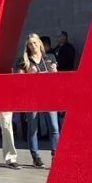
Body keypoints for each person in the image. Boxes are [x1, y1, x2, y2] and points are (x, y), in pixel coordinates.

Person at [20, 33, 60, 168]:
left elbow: (56, 79)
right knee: (33, 128)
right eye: (30, 44)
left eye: (35, 43)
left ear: (40, 43)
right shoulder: (24, 60)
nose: (33, 46)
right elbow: (18, 80)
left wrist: (54, 72)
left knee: (54, 127)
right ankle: (35, 156)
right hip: (32, 98)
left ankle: (55, 155)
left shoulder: (50, 57)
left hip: (49, 96)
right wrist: (28, 75)